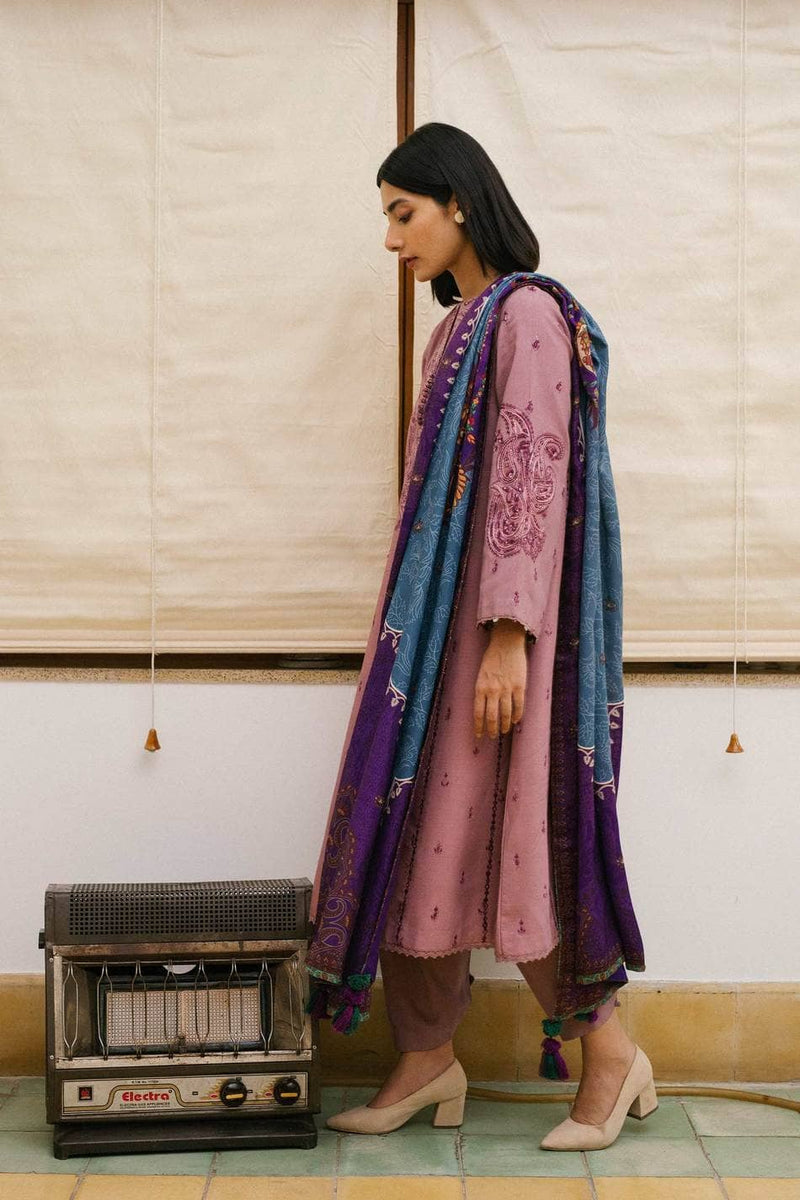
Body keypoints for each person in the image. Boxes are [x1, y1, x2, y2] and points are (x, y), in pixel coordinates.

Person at [309, 123, 653, 1151]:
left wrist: (508, 636)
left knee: (518, 842)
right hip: (435, 638)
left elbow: (529, 477)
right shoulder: (458, 327)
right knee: (416, 834)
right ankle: (427, 1058)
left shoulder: (528, 315)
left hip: (504, 638)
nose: (390, 239)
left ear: (458, 202)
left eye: (402, 213)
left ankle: (609, 1055)